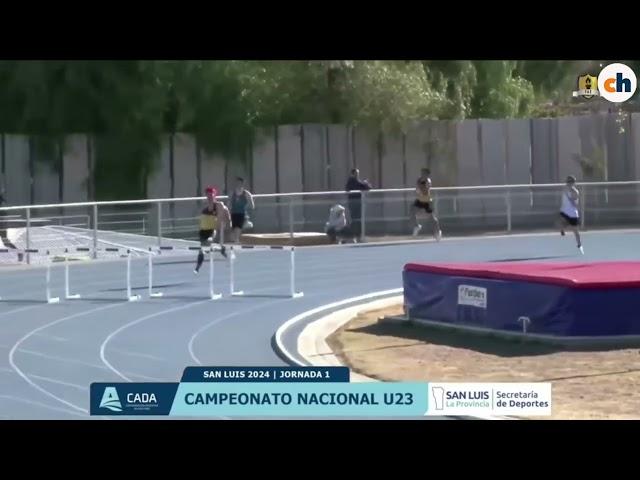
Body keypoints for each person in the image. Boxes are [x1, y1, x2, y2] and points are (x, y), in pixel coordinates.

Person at [194, 186, 229, 274]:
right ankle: (198, 267)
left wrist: (229, 221)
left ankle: (219, 249)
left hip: (211, 230)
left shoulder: (218, 205)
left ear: (214, 196)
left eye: (211, 195)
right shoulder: (205, 208)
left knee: (209, 241)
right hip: (203, 231)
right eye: (208, 195)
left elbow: (225, 209)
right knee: (201, 250)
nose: (209, 197)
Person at [412, 168, 442, 241]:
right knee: (412, 211)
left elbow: (426, 188)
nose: (422, 174)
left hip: (426, 200)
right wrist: (417, 190)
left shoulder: (428, 181)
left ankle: (438, 232)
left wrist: (420, 189)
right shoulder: (419, 180)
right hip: (420, 200)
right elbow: (417, 188)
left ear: (427, 174)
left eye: (424, 173)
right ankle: (417, 226)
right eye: (421, 173)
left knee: (432, 218)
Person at [557, 175, 583, 254]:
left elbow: (575, 203)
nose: (568, 184)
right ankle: (562, 229)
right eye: (568, 182)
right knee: (560, 221)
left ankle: (579, 244)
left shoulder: (575, 192)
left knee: (575, 230)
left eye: (570, 182)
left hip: (572, 213)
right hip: (564, 210)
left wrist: (570, 198)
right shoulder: (564, 189)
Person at [345, 168, 371, 240]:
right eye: (356, 173)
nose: (357, 175)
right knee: (355, 219)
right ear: (353, 174)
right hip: (354, 203)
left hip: (358, 203)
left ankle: (357, 235)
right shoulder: (351, 181)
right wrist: (365, 183)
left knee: (358, 219)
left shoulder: (356, 181)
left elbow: (368, 187)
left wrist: (365, 184)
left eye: (358, 173)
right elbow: (363, 186)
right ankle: (352, 235)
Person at [228, 177, 255, 243]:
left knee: (238, 227)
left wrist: (246, 208)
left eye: (240, 183)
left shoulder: (246, 193)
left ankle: (236, 240)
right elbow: (229, 204)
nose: (238, 184)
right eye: (237, 183)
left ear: (242, 184)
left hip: (242, 213)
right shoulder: (232, 193)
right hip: (233, 213)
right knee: (234, 228)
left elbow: (252, 205)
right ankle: (236, 240)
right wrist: (228, 211)